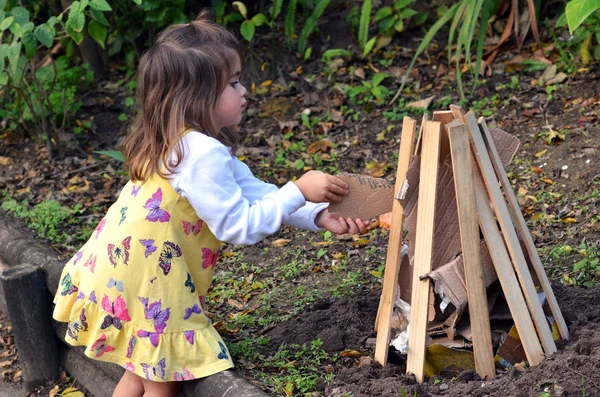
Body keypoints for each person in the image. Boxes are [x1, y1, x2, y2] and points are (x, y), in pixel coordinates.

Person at [52, 10, 369, 397]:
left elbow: (253, 193)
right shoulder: (202, 154)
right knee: (161, 384)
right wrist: (299, 189)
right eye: (233, 83)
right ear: (194, 96)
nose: (245, 91)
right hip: (149, 283)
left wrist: (318, 215)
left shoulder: (180, 139)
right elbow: (238, 225)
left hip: (121, 272)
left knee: (137, 372)